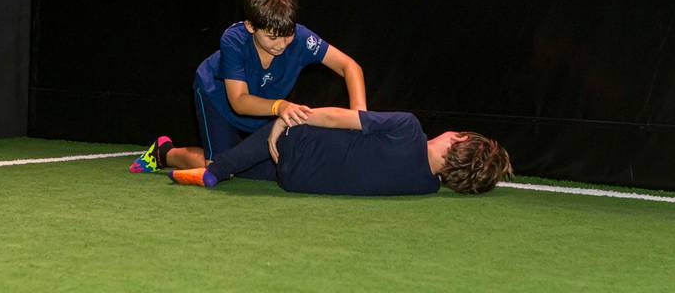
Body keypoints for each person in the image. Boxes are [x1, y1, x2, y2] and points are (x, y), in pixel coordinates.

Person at [129, 0, 366, 173]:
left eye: (288, 35)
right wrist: (281, 106)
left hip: (265, 104)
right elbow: (239, 101)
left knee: (268, 164)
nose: (282, 44)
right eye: (272, 37)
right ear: (251, 26)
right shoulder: (234, 40)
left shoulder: (302, 39)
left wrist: (360, 118)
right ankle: (164, 153)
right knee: (221, 168)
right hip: (218, 98)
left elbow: (350, 67)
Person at [168, 108, 513, 196]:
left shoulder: (408, 128)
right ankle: (165, 152)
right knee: (242, 162)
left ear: (458, 139)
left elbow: (336, 118)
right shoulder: (425, 186)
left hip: (296, 147)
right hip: (297, 181)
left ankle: (215, 172)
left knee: (276, 131)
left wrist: (286, 118)